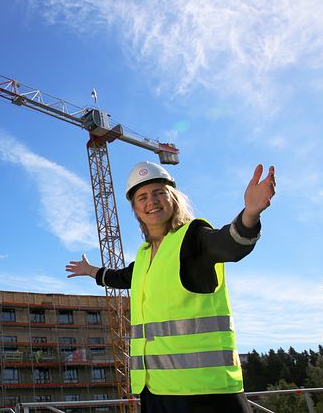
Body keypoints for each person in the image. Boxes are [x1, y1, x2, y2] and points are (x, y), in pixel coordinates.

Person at [66, 161, 275, 413]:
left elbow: (228, 244)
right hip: (154, 390)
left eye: (158, 193)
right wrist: (91, 271)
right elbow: (122, 277)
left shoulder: (193, 237)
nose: (151, 201)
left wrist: (250, 214)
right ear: (135, 210)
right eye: (142, 197)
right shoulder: (145, 255)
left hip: (204, 394)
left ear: (173, 198)